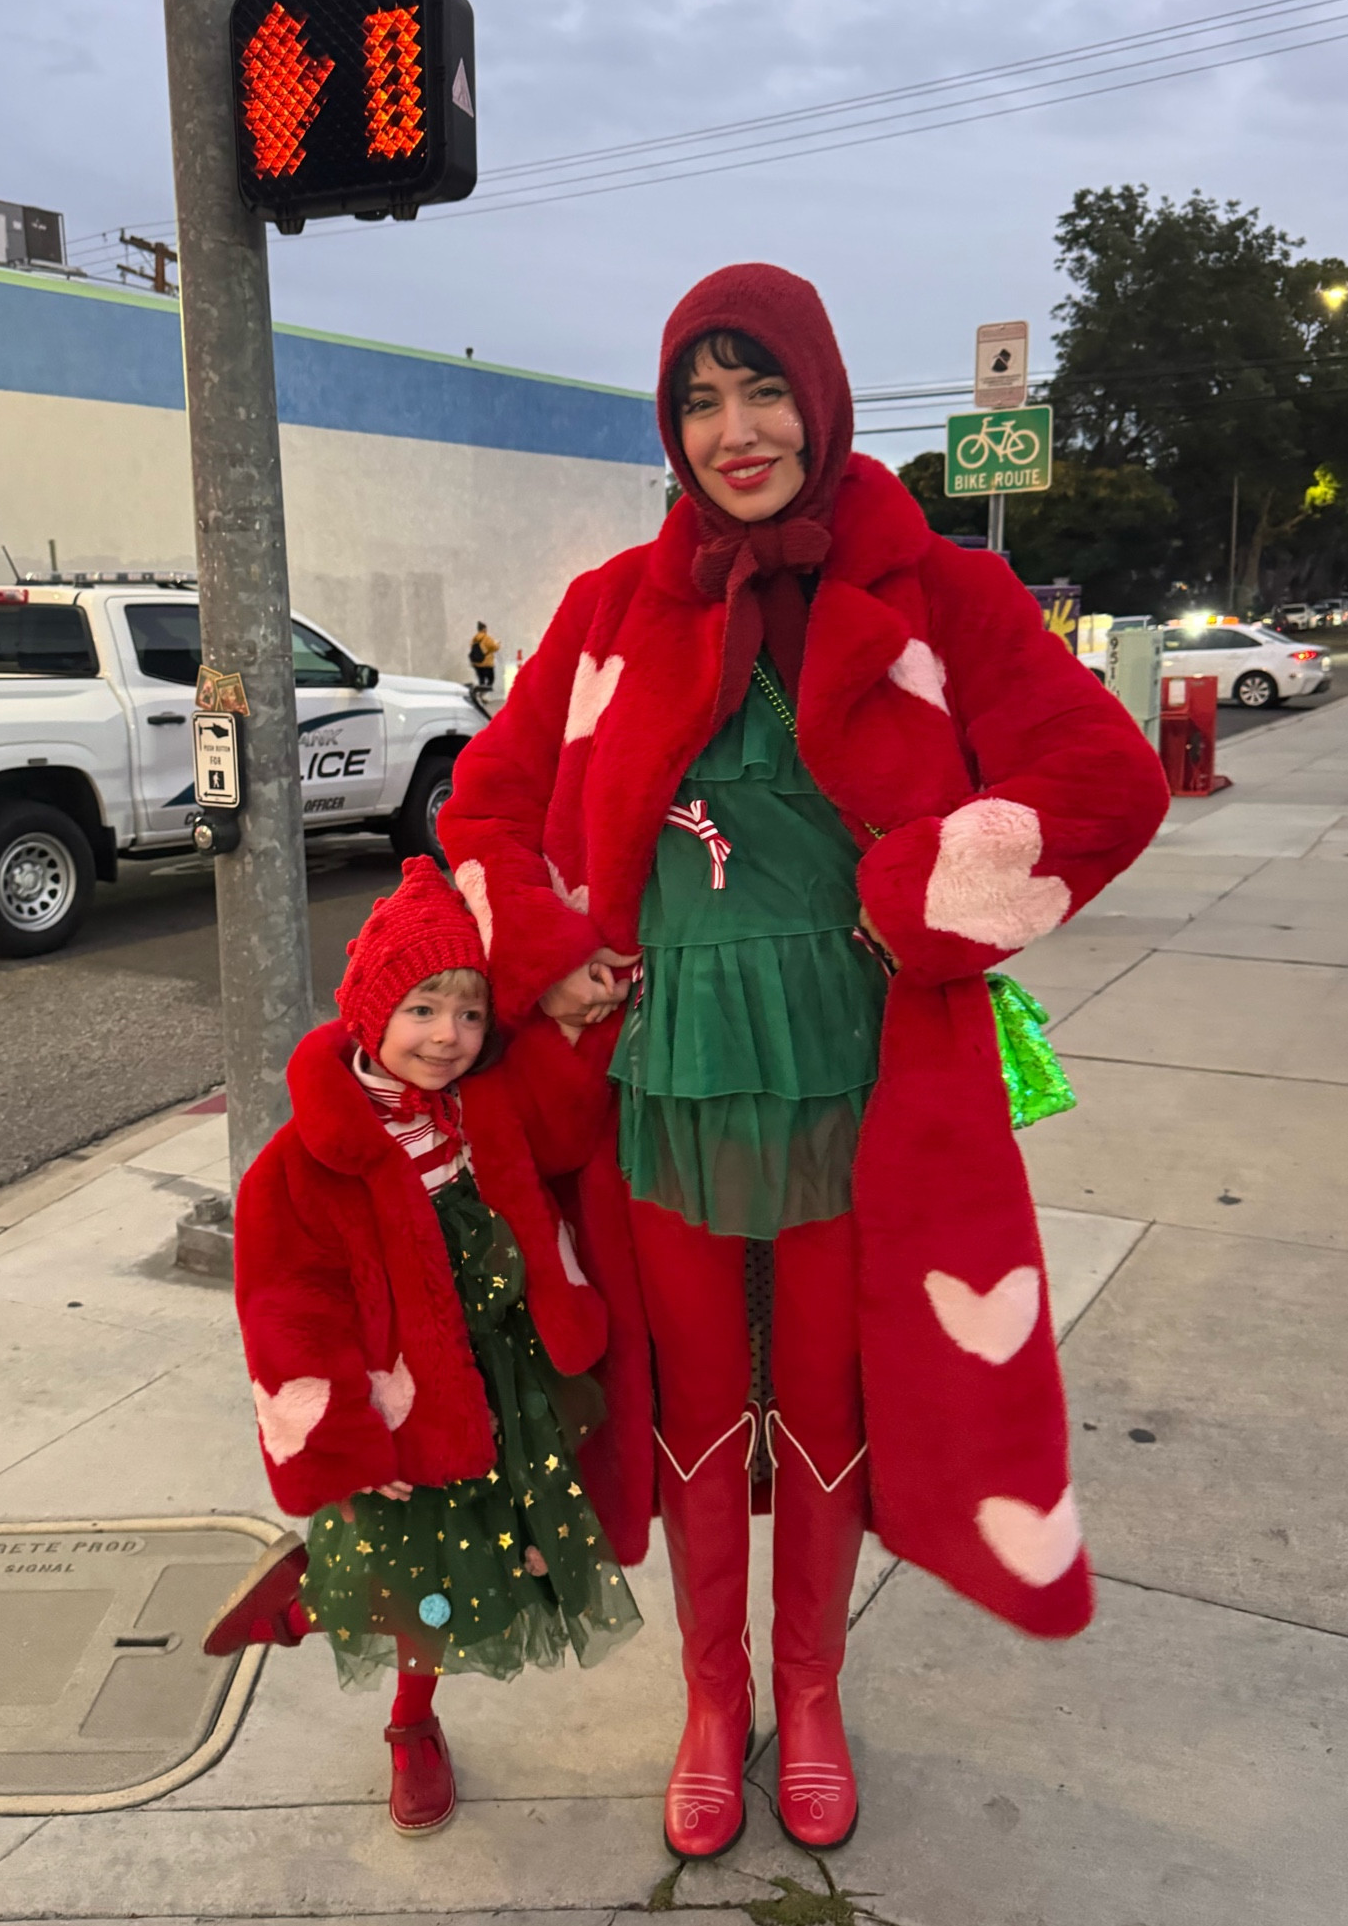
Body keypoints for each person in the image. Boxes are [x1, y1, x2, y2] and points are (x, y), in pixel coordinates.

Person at [439, 263, 1169, 1861]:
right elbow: (478, 814)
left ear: (821, 395)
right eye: (699, 400)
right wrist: (554, 958)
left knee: (827, 1407)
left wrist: (926, 900)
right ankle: (715, 1703)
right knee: (700, 1405)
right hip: (671, 1085)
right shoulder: (610, 611)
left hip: (861, 1081)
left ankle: (813, 1691)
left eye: (760, 388)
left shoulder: (941, 593)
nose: (734, 430)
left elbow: (1104, 779)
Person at [204, 857, 641, 1836]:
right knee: (432, 1587)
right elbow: (286, 1310)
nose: (448, 1036)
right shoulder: (309, 1161)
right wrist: (353, 1438)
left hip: (502, 1381)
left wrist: (593, 1001)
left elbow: (564, 1135)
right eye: (423, 1009)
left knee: (503, 1561)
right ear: (369, 1013)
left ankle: (308, 1595)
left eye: (471, 1013)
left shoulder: (476, 1108)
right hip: (406, 1406)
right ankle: (408, 1725)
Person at [469, 619, 500, 691]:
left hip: (477, 663)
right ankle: (483, 694)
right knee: (491, 680)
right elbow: (494, 647)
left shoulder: (474, 638)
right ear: (484, 629)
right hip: (487, 663)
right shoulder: (487, 638)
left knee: (481, 680)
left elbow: (472, 647)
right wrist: (497, 644)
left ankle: (479, 695)